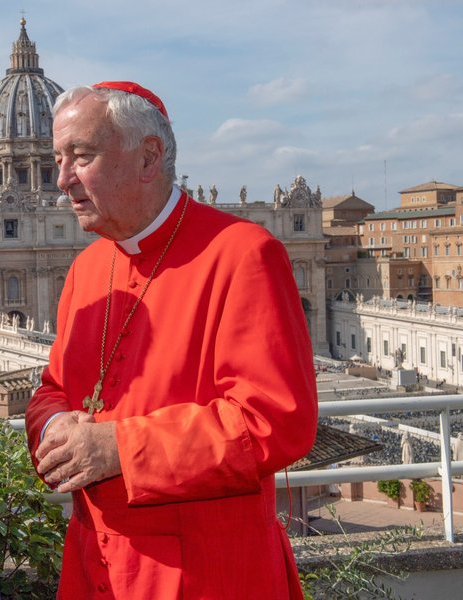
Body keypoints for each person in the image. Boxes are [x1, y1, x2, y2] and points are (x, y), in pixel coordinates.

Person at [25, 82, 318, 599]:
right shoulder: (86, 268)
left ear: (148, 157)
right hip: (94, 569)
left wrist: (119, 449)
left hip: (207, 575)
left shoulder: (243, 254)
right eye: (58, 160)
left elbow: (275, 420)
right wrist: (55, 426)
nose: (62, 179)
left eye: (82, 157)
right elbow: (52, 389)